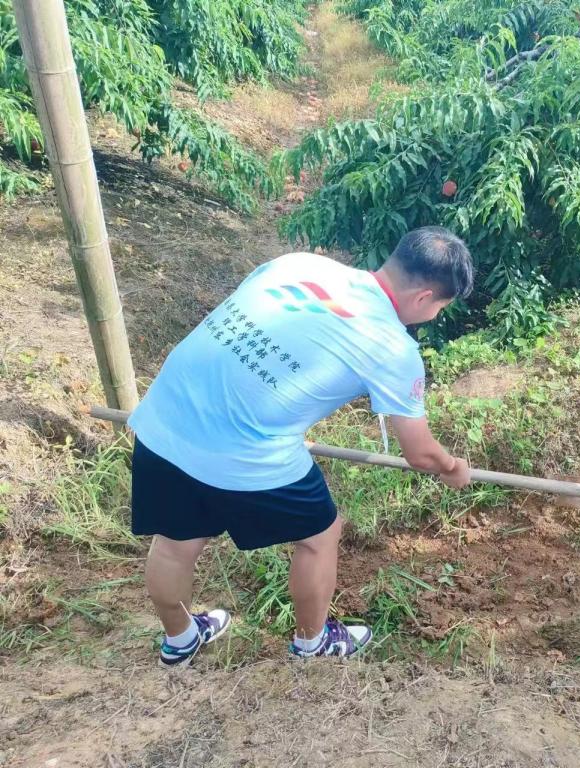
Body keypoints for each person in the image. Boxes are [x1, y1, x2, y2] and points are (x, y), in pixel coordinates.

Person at [127, 226, 474, 666]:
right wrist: (451, 467)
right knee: (320, 535)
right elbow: (419, 452)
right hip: (244, 450)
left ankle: (179, 640)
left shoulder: (299, 264)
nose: (436, 316)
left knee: (176, 540)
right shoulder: (391, 346)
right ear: (424, 297)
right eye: (441, 307)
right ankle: (313, 642)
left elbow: (256, 348)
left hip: (164, 418)